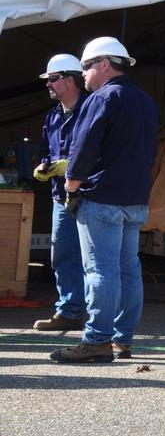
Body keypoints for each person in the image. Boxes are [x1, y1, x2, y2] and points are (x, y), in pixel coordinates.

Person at [50, 37, 158, 365]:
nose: (83, 75)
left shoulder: (101, 99)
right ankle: (122, 340)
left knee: (99, 270)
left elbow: (85, 148)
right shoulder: (145, 101)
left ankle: (96, 340)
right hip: (135, 199)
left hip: (102, 199)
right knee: (129, 270)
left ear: (104, 65)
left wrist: (70, 186)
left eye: (85, 67)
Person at [30, 54, 88, 332]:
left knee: (94, 258)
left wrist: (72, 167)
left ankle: (100, 316)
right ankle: (70, 311)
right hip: (60, 197)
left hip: (91, 195)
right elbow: (46, 150)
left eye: (53, 79)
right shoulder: (52, 116)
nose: (48, 85)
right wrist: (44, 165)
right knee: (64, 254)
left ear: (70, 79)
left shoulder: (94, 109)